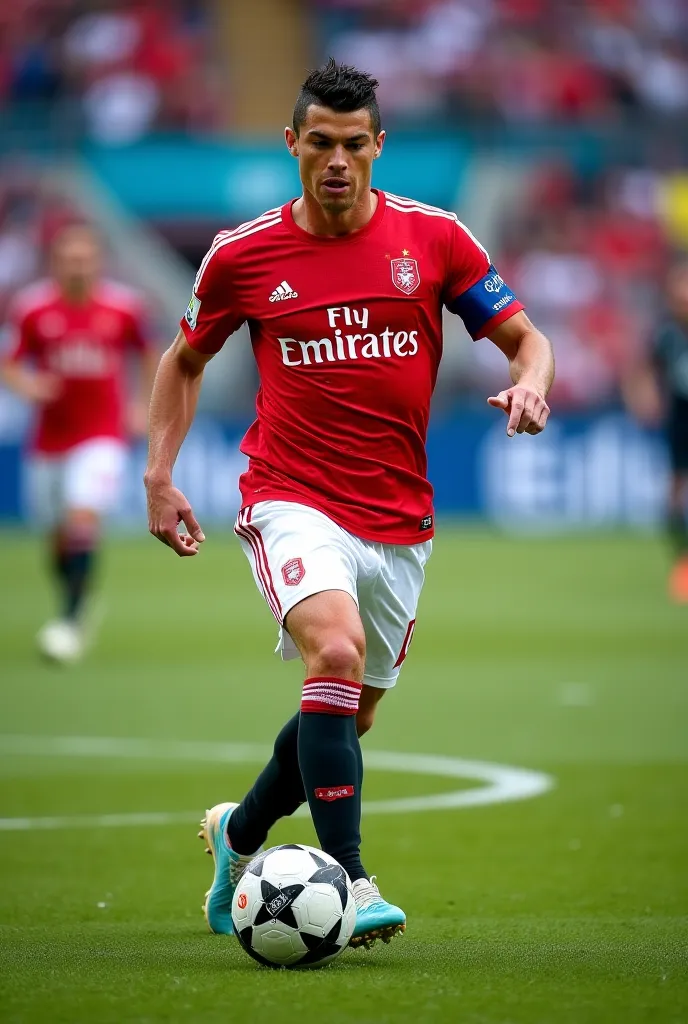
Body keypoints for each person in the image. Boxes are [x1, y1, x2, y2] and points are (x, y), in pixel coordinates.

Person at [144, 60, 554, 949]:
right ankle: (354, 880)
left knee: (346, 713)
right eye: (319, 143)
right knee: (332, 647)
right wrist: (159, 473)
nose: (337, 160)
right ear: (292, 144)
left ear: (378, 147)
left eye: (353, 144)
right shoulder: (243, 254)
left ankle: (237, 835)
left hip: (399, 519)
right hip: (290, 495)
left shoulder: (434, 239)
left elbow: (527, 339)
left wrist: (531, 384)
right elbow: (183, 361)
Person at [1, 222, 157, 661]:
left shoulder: (123, 308)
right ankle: (77, 599)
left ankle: (70, 622)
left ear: (98, 261)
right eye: (69, 259)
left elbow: (150, 355)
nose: (78, 267)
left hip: (101, 435)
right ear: (55, 263)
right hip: (49, 439)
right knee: (56, 539)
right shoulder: (33, 309)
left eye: (85, 258)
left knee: (81, 518)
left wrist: (140, 405)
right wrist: (27, 385)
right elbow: (10, 363)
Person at [624, 260, 688, 602]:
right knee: (675, 492)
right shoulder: (666, 335)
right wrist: (643, 398)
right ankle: (683, 562)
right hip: (680, 422)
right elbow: (643, 370)